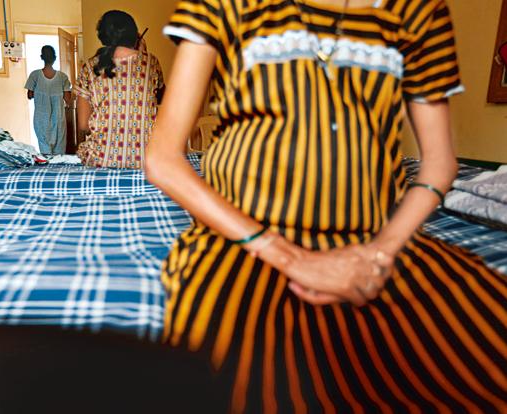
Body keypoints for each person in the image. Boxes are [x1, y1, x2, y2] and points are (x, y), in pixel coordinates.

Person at [146, 0, 507, 412]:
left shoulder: (418, 12)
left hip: (371, 243)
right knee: (254, 381)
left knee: (477, 355)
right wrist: (289, 257)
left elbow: (440, 164)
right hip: (244, 240)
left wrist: (377, 254)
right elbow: (163, 158)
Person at [74, 10, 164, 169]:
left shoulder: (89, 67)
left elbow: (83, 125)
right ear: (135, 35)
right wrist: (143, 54)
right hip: (147, 160)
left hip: (101, 159)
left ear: (103, 36)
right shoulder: (151, 63)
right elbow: (160, 99)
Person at [25, 46, 72, 155]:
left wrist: (40, 93)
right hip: (58, 119)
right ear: (55, 58)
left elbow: (29, 95)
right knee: (59, 152)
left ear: (42, 57)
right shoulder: (62, 77)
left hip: (41, 119)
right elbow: (68, 99)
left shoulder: (35, 75)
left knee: (45, 151)